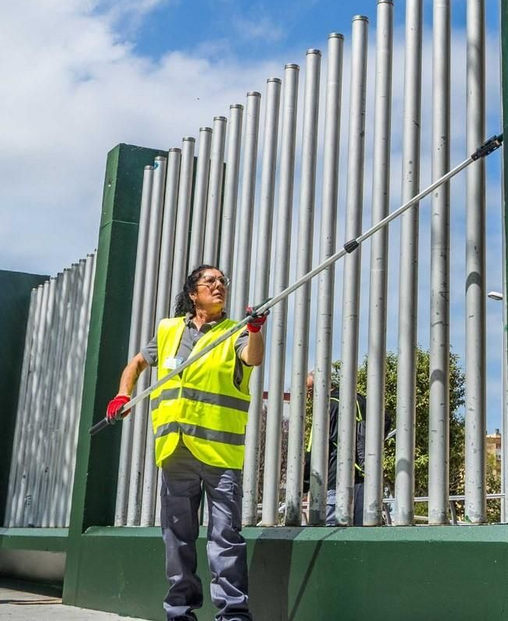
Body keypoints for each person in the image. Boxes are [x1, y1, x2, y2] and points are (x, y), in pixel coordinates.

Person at [107, 264, 265, 621]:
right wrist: (122, 394)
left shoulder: (233, 331)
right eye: (210, 281)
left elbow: (252, 358)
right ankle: (179, 613)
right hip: (175, 450)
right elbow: (136, 364)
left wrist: (255, 329)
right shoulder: (168, 330)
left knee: (225, 538)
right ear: (193, 293)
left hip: (220, 454)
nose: (219, 285)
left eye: (223, 281)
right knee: (177, 539)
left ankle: (234, 614)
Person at [303, 371, 368, 525]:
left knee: (332, 532)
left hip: (334, 481)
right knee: (360, 533)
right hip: (363, 480)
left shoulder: (326, 407)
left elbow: (314, 450)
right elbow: (385, 419)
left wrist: (305, 485)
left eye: (310, 391)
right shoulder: (358, 399)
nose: (309, 397)